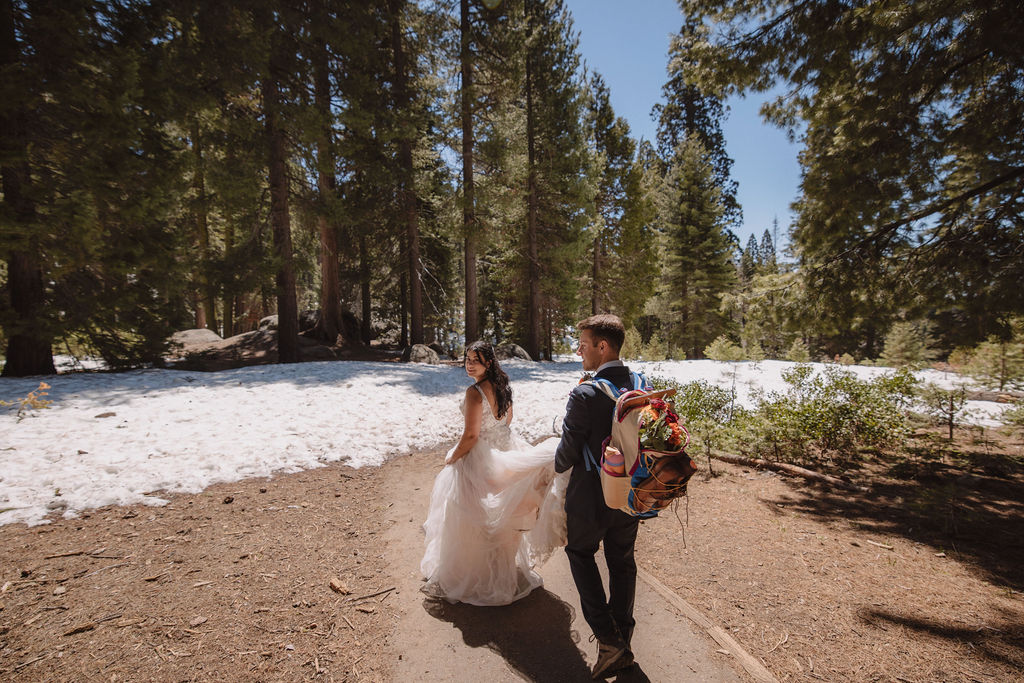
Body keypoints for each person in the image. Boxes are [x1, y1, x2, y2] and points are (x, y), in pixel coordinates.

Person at [421, 341, 567, 606]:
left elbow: (471, 435)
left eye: (475, 360)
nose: (469, 364)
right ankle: (500, 572)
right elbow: (507, 420)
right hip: (504, 448)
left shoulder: (474, 393)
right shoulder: (502, 386)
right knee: (502, 516)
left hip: (481, 457)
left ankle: (475, 575)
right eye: (466, 359)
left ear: (488, 363)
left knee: (472, 515)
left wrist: (453, 457)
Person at [554, 314, 640, 678]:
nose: (579, 350)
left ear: (602, 347)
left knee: (579, 552)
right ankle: (622, 637)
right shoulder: (641, 384)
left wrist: (553, 458)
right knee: (622, 561)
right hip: (631, 493)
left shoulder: (586, 392)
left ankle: (608, 639)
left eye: (584, 344)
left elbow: (566, 455)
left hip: (591, 495)